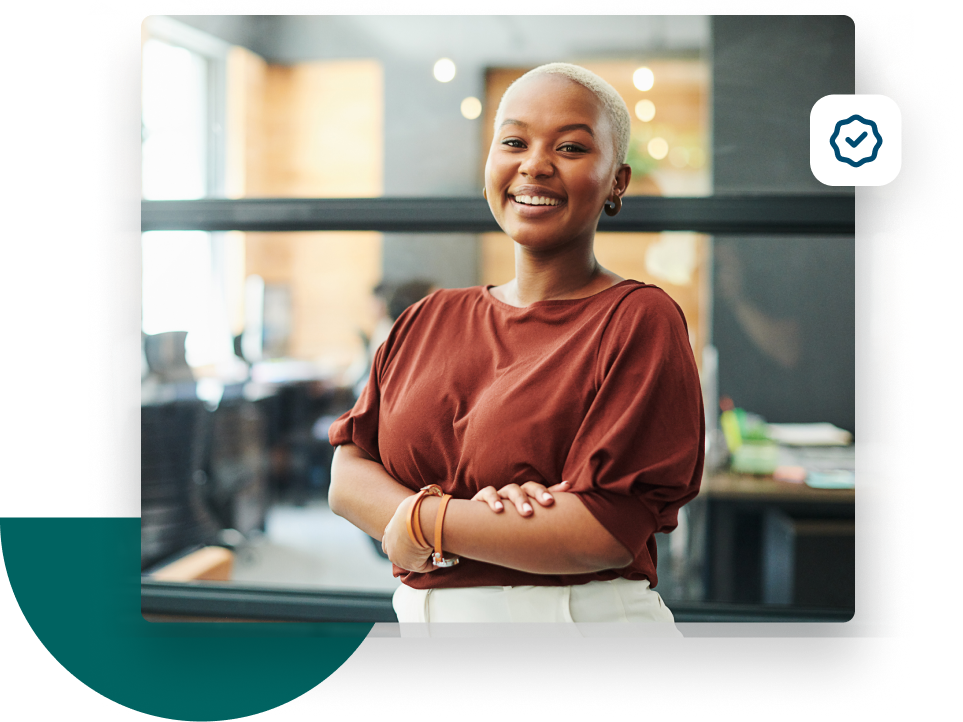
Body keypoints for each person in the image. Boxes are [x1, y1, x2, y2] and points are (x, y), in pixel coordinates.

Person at [327, 63, 704, 637]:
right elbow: (347, 473)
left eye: (572, 147)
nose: (535, 164)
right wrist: (470, 518)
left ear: (617, 181)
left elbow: (600, 531)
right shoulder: (426, 318)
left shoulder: (639, 319)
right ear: (489, 166)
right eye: (514, 142)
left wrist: (425, 520)